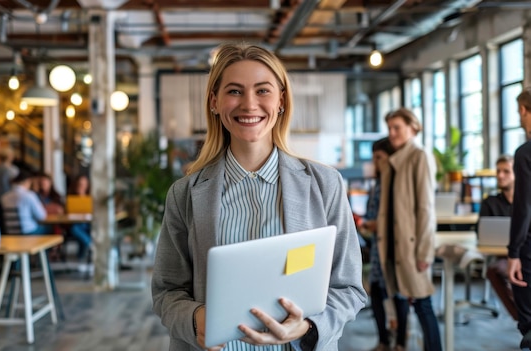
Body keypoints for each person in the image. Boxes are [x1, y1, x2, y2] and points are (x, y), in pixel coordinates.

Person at [151, 42, 367, 351]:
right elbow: (166, 291)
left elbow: (348, 288)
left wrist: (307, 327)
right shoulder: (185, 194)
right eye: (235, 91)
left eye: (263, 90)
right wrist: (195, 320)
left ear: (281, 100)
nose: (249, 104)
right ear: (214, 101)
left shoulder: (325, 184)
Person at [377, 108, 442, 351]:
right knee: (401, 299)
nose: (392, 133)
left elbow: (425, 208)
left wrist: (425, 252)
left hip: (411, 245)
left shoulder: (419, 156)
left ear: (413, 127)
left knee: (423, 304)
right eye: (390, 128)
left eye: (397, 128)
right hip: (394, 242)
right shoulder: (393, 160)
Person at [360, 137, 409, 351]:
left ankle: (400, 342)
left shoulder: (398, 184)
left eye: (380, 157)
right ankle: (383, 340)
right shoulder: (377, 185)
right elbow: (373, 214)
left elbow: (398, 219)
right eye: (374, 158)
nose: (376, 162)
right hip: (377, 249)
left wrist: (375, 224)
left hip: (393, 250)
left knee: (398, 295)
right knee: (377, 295)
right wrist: (366, 224)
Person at [478, 155, 518, 320]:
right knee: (495, 270)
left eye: (506, 171)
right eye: (498, 171)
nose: (500, 175)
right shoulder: (490, 203)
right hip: (503, 256)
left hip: (525, 254)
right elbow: (480, 233)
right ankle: (520, 318)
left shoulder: (526, 201)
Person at [508, 87, 531, 350]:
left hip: (529, 251)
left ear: (524, 110)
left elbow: (523, 208)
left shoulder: (525, 153)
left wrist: (513, 253)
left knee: (529, 325)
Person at [0, 170, 48, 235]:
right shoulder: (29, 195)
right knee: (48, 228)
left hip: (10, 233)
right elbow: (41, 216)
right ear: (28, 181)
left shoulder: (4, 197)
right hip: (28, 232)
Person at [68, 174, 92, 259]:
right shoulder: (71, 197)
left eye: (84, 184)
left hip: (88, 223)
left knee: (88, 229)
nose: (82, 186)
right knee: (75, 229)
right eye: (80, 184)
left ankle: (81, 256)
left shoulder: (90, 197)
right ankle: (90, 245)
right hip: (76, 223)